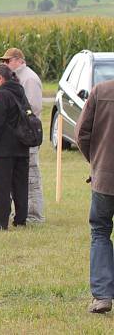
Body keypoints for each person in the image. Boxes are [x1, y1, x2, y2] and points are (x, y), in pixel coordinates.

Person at [76, 78, 114, 314]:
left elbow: (81, 133)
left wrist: (96, 162)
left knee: (100, 231)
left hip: (104, 179)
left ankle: (102, 296)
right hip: (102, 176)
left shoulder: (101, 91)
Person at [0, 47, 45, 223]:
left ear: (19, 60)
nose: (5, 64)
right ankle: (21, 213)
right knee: (19, 177)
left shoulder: (29, 78)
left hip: (28, 134)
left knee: (31, 177)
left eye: (8, 60)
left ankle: (34, 215)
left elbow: (32, 108)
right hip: (17, 135)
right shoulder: (16, 78)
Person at [0, 64, 30, 230]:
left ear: (1, 78)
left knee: (1, 187)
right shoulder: (20, 93)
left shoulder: (0, 96)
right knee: (20, 186)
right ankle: (20, 220)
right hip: (22, 147)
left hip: (4, 150)